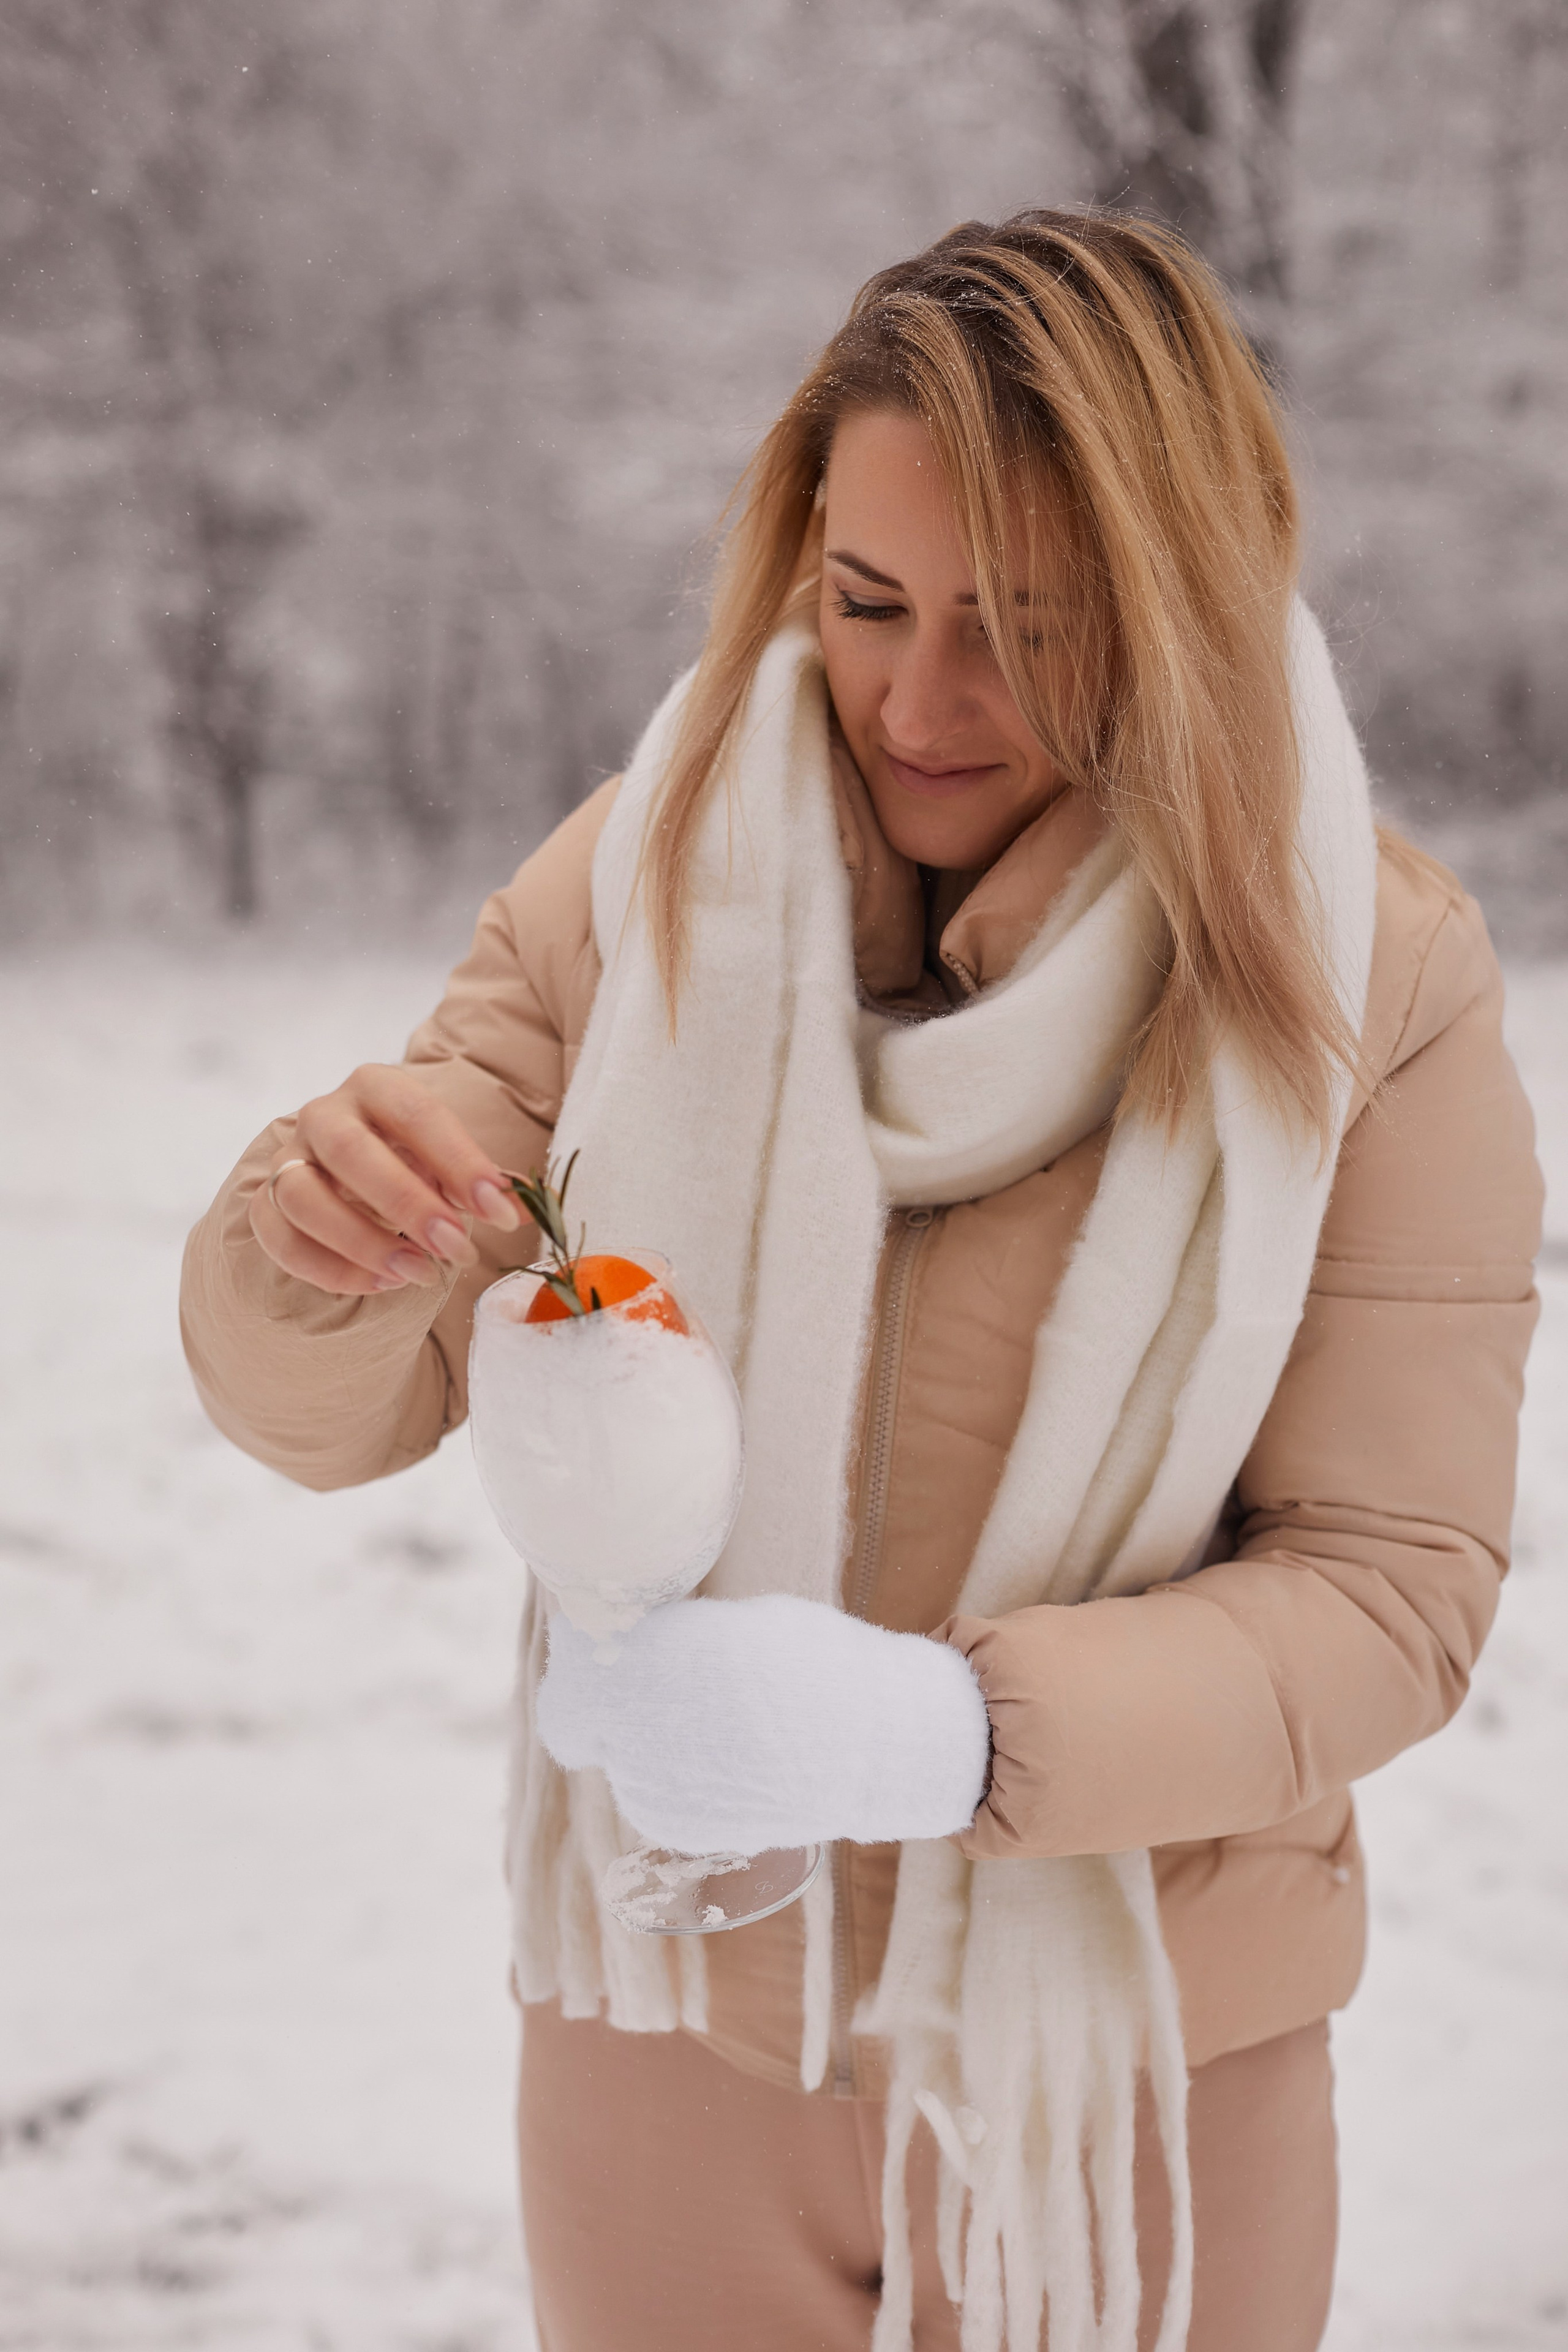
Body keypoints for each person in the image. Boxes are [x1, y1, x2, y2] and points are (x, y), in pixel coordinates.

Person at [181, 211, 1542, 2352]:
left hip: (1140, 2092)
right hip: (675, 2049)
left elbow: (1393, 1588)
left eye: (1025, 627)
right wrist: (311, 1242)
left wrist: (947, 1736)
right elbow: (324, 1398)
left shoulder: (1377, 980)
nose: (920, 703)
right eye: (866, 600)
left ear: (1182, 602)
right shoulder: (644, 879)